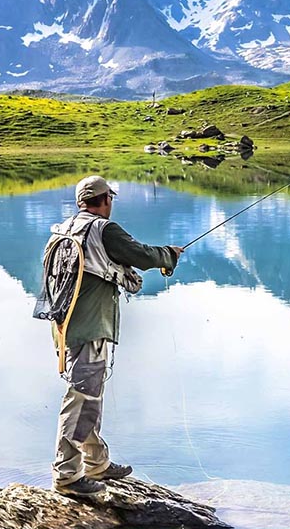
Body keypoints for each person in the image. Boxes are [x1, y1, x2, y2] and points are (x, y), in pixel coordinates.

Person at [49, 175, 183, 496]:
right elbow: (141, 255)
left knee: (89, 393)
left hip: (65, 326)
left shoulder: (65, 229)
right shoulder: (103, 229)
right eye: (111, 197)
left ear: (82, 201)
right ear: (106, 199)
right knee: (82, 397)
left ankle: (95, 463)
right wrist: (170, 255)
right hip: (90, 327)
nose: (111, 203)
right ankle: (67, 475)